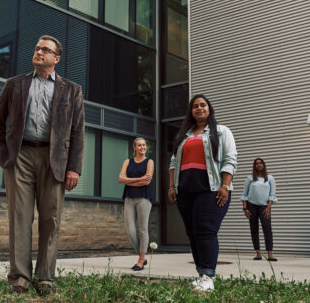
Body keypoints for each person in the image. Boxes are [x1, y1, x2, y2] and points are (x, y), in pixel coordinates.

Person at [0, 35, 85, 294]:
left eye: (45, 50)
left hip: (54, 161)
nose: (39, 52)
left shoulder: (72, 90)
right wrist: (3, 153)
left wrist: (74, 167)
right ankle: (19, 279)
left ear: (56, 58)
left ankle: (45, 278)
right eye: (37, 48)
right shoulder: (14, 85)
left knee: (50, 219)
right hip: (20, 157)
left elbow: (77, 132)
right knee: (20, 217)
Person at [168, 94, 237, 292]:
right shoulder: (184, 135)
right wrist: (172, 187)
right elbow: (173, 163)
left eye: (203, 105)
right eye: (195, 106)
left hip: (211, 188)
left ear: (209, 109)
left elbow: (230, 160)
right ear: (191, 111)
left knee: (206, 230)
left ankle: (208, 276)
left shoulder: (222, 131)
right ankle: (201, 275)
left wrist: (225, 185)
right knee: (192, 233)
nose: (199, 108)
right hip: (186, 190)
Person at [118, 138, 154, 271]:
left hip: (144, 198)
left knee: (142, 229)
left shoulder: (149, 162)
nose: (142, 147)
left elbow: (147, 181)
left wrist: (129, 181)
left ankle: (140, 259)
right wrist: (139, 178)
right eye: (139, 145)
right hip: (129, 198)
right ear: (134, 148)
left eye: (144, 145)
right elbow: (121, 179)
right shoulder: (128, 162)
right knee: (130, 230)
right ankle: (142, 256)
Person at [240, 158, 277, 261]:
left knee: (267, 228)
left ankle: (270, 254)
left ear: (264, 165)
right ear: (254, 166)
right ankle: (258, 253)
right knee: (254, 229)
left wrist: (269, 207)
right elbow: (245, 194)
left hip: (264, 207)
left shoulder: (270, 178)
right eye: (256, 164)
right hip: (251, 206)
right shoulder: (250, 178)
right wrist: (245, 208)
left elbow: (272, 194)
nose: (259, 165)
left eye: (260, 163)